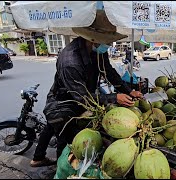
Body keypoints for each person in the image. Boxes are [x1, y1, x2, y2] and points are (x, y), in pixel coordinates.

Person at [30, 22, 143, 167]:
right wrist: (114, 98)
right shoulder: (70, 61)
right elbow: (82, 97)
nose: (109, 45)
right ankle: (61, 171)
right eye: (107, 42)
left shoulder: (97, 52)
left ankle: (38, 157)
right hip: (63, 105)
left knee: (51, 127)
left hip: (76, 100)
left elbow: (109, 72)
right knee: (66, 142)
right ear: (93, 39)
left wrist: (128, 90)